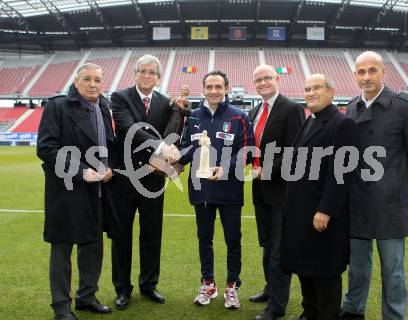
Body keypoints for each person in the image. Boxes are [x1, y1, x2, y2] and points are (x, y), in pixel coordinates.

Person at [340, 51, 408, 320]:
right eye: (361, 72)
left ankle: (393, 315)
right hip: (356, 201)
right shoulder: (352, 105)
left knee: (393, 269)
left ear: (384, 72)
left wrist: (398, 188)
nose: (366, 77)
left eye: (372, 71)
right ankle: (353, 309)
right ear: (355, 75)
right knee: (357, 265)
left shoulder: (404, 105)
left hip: (389, 203)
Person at [37, 63, 119, 320]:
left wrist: (111, 169)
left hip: (97, 191)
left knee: (92, 246)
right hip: (67, 191)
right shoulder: (57, 107)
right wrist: (81, 170)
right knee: (62, 250)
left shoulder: (104, 107)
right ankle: (61, 307)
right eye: (87, 79)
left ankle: (87, 296)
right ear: (76, 81)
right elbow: (47, 148)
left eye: (97, 79)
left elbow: (111, 147)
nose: (93, 84)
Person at [280, 74, 359, 320]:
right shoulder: (310, 120)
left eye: (317, 88)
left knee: (324, 274)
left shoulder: (342, 124)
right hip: (300, 212)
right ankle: (309, 313)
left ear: (331, 91)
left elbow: (341, 174)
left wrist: (326, 209)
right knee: (305, 268)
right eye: (307, 89)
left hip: (321, 215)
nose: (310, 93)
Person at [175, 70, 255, 309]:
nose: (213, 91)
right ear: (203, 89)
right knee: (204, 239)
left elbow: (249, 150)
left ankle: (232, 286)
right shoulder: (193, 116)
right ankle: (208, 283)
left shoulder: (239, 116)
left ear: (226, 88)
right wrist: (176, 161)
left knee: (233, 240)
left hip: (229, 189)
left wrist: (225, 168)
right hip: (201, 190)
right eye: (209, 87)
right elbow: (188, 147)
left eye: (218, 87)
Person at [110, 54, 183, 310]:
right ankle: (122, 288)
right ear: (135, 73)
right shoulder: (119, 97)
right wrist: (161, 146)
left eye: (152, 72)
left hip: (153, 179)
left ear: (158, 77)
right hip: (124, 179)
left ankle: (149, 284)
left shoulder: (165, 102)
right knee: (122, 235)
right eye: (143, 71)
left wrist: (182, 110)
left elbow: (175, 129)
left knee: (152, 234)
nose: (147, 76)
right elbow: (129, 129)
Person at [249, 65, 305, 320]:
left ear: (277, 79)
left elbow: (297, 151)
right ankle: (270, 290)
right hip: (260, 190)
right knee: (267, 245)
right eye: (258, 80)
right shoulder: (254, 110)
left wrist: (267, 170)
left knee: (278, 251)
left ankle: (277, 306)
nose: (262, 83)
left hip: (282, 191)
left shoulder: (291, 108)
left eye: (267, 78)